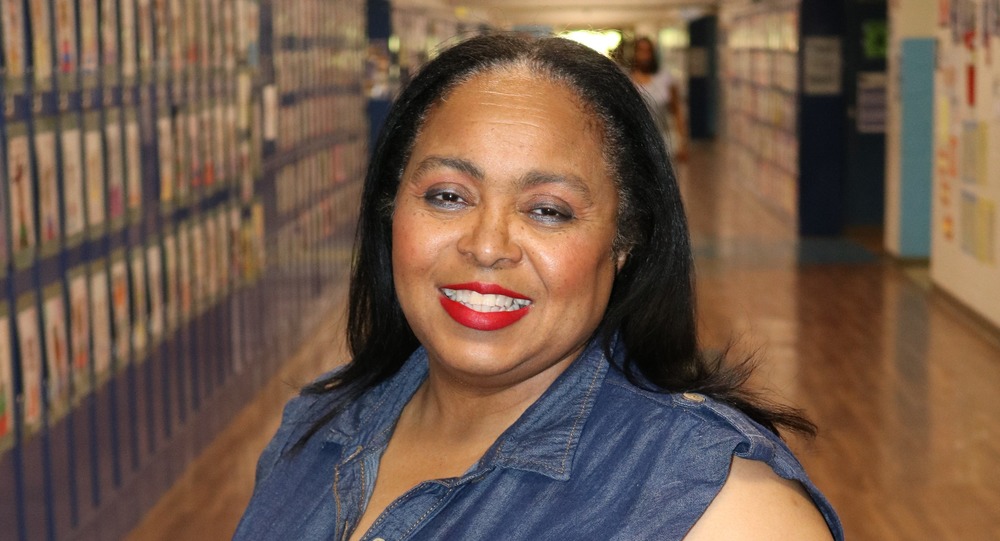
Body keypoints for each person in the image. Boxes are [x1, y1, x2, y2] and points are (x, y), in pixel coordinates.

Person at [234, 34, 843, 540]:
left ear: (624, 242)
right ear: (391, 211)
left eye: (548, 210)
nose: (488, 244)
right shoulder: (314, 430)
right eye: (448, 196)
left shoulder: (725, 511)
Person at [629, 36, 688, 160]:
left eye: (648, 51)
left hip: (664, 141)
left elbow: (676, 111)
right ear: (635, 53)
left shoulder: (665, 78)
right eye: (641, 51)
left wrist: (682, 142)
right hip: (637, 143)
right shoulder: (628, 81)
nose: (645, 56)